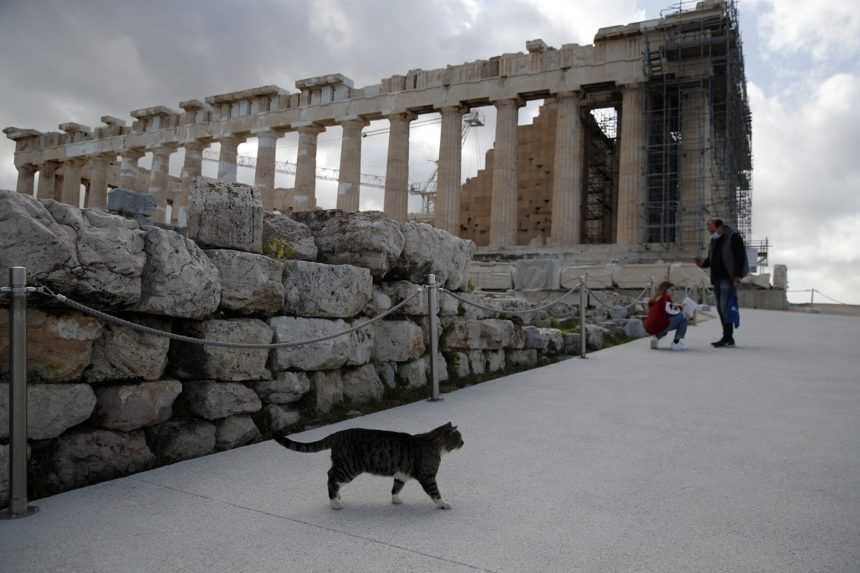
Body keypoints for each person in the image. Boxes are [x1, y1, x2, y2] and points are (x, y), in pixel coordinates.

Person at [696, 218, 748, 348]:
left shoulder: (733, 237)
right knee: (720, 308)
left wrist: (737, 275)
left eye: (710, 226)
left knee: (725, 307)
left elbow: (740, 256)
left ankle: (728, 337)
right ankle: (727, 337)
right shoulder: (714, 240)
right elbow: (712, 258)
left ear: (718, 226)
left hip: (728, 278)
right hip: (717, 279)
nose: (708, 229)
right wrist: (703, 264)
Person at [644, 281, 688, 351]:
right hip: (659, 324)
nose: (673, 292)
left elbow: (663, 310)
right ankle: (676, 342)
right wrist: (681, 308)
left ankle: (655, 338)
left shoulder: (655, 298)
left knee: (666, 327)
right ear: (665, 289)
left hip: (650, 326)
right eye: (672, 290)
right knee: (683, 318)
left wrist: (675, 306)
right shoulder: (665, 297)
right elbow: (669, 311)